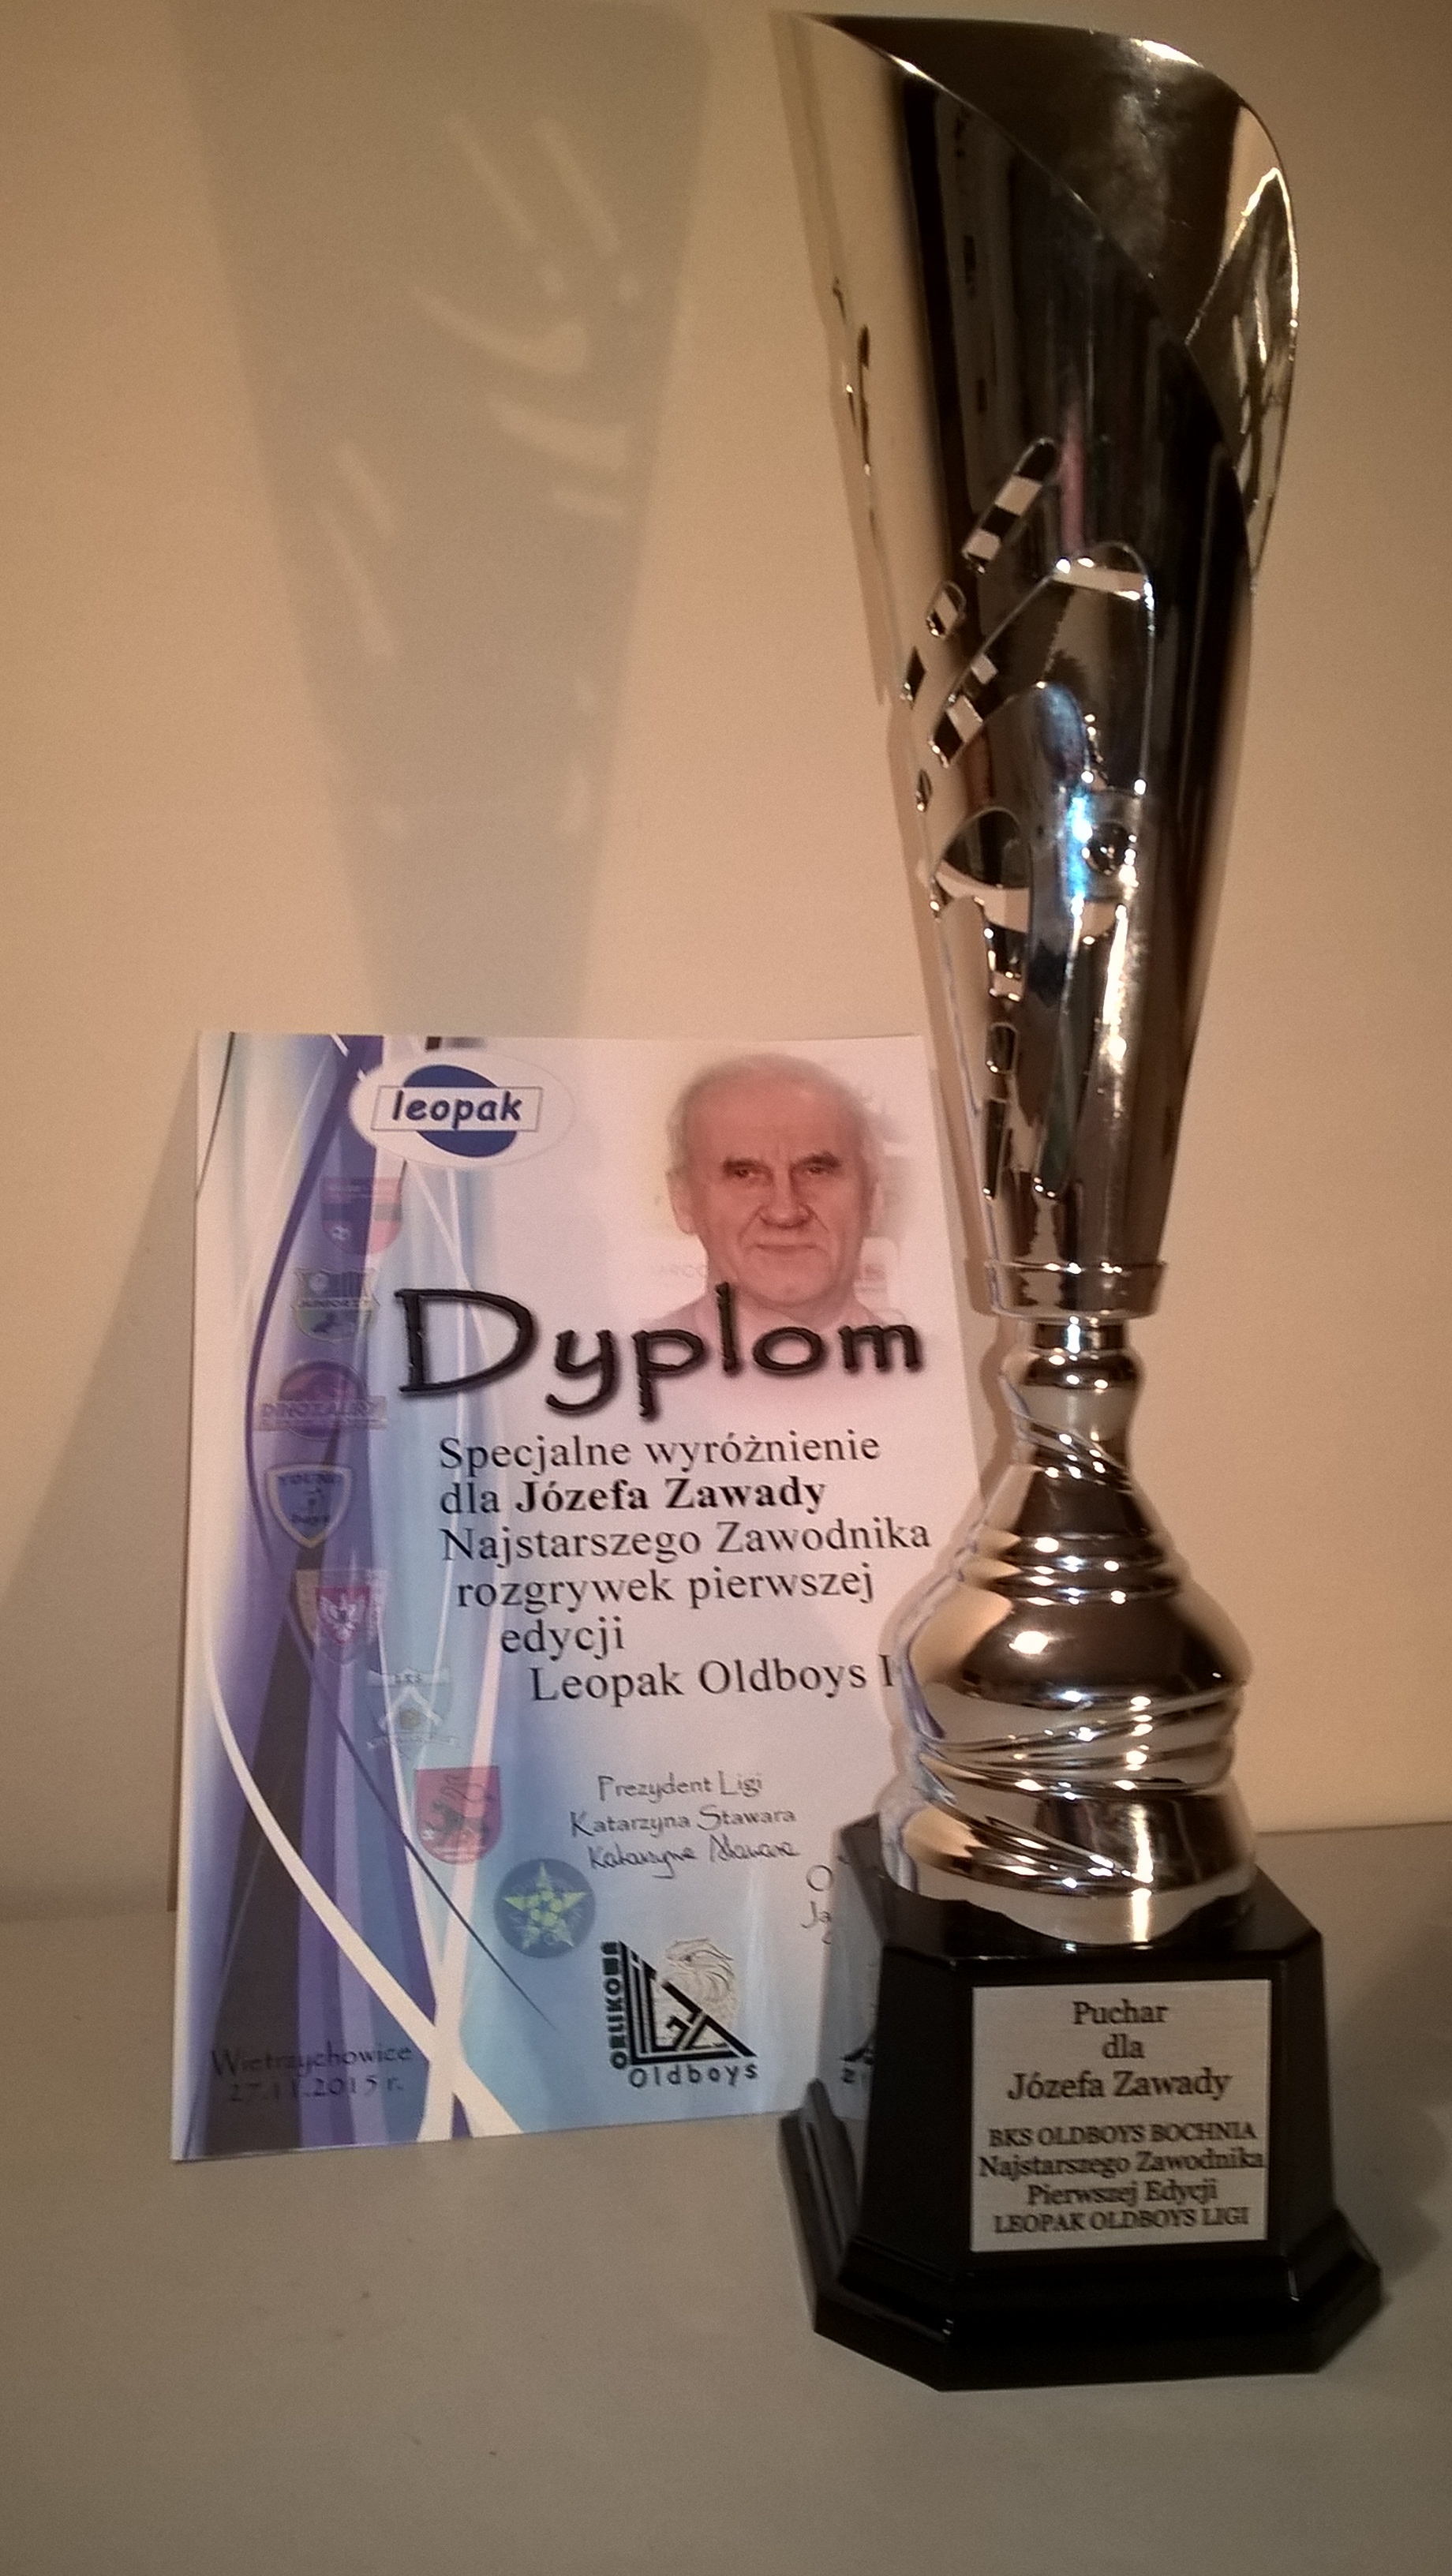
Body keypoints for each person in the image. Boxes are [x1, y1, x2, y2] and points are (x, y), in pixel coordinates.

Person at [663, 1054, 883, 1346]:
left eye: (815, 1171)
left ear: (872, 1198)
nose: (785, 1212)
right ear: (683, 1201)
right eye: (744, 1174)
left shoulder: (938, 1368)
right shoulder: (625, 1367)